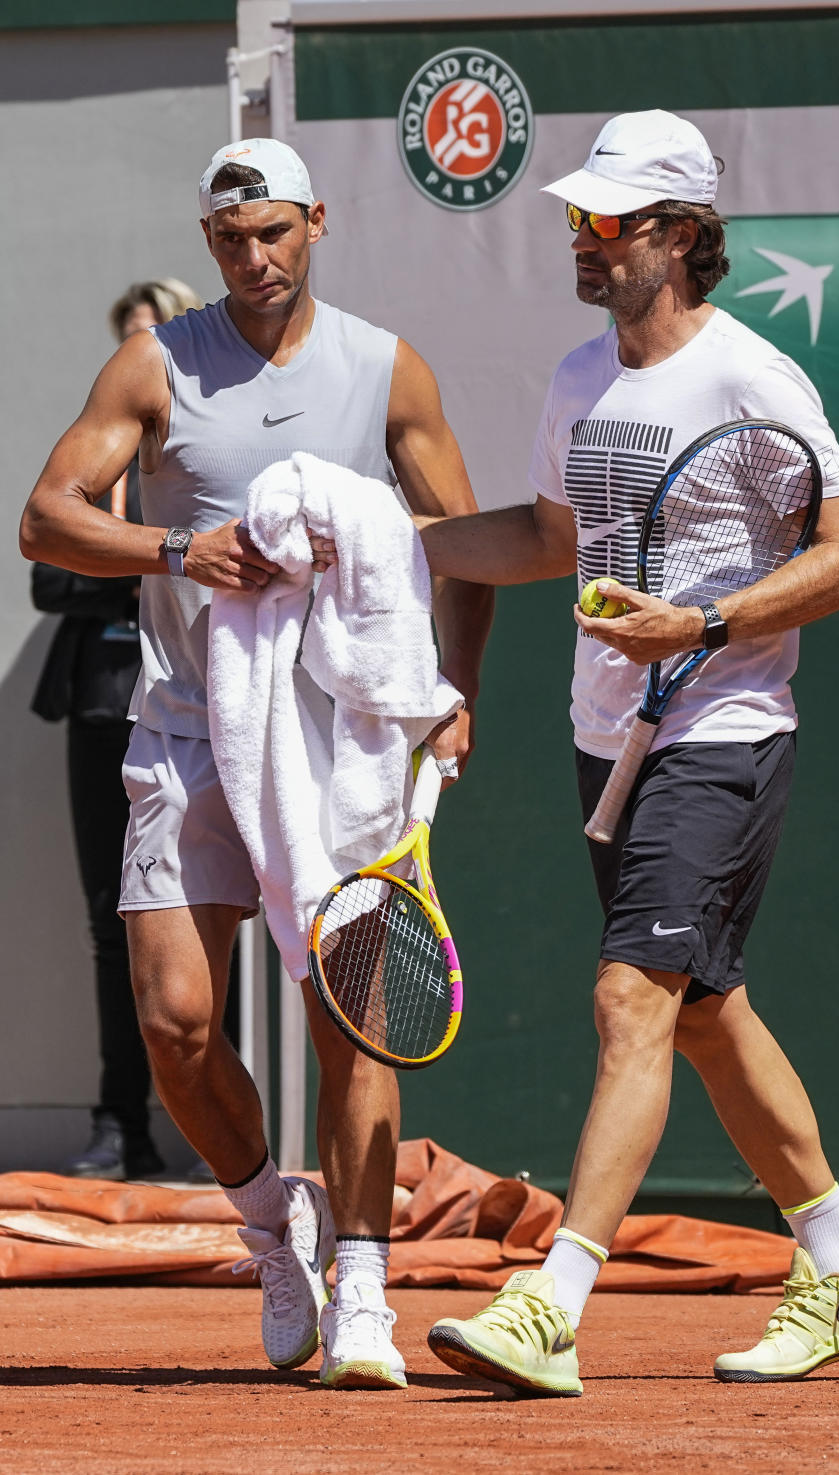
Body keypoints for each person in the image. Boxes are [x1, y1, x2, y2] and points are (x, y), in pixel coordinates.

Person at [413, 111, 839, 1396]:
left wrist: (702, 621)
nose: (584, 239)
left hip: (722, 726)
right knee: (703, 1012)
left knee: (632, 996)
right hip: (608, 737)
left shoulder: (754, 377)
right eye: (579, 218)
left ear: (683, 236)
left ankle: (556, 1297)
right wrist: (388, 540)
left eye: (612, 222)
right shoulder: (583, 377)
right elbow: (543, 537)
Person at [20, 138, 492, 1389]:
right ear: (209, 243)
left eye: (274, 232)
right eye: (231, 239)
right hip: (189, 728)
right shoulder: (156, 363)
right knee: (177, 1023)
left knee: (357, 1024)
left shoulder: (387, 367)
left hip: (339, 743)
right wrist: (178, 550)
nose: (255, 257)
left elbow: (463, 543)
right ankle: (271, 1232)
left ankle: (369, 1291)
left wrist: (457, 691)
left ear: (316, 223)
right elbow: (47, 510)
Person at [31, 277, 204, 1181]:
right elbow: (47, 574)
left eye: (152, 335)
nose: (136, 354)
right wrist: (145, 557)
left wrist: (127, 551)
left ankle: (229, 1132)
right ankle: (120, 1125)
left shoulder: (211, 452)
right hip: (102, 705)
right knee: (115, 920)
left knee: (212, 919)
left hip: (198, 708)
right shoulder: (93, 454)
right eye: (124, 338)